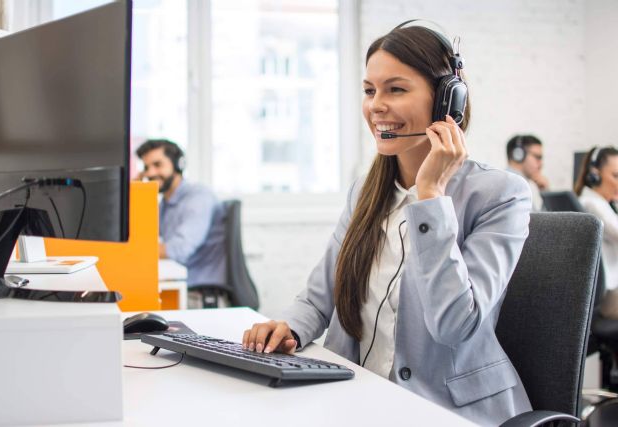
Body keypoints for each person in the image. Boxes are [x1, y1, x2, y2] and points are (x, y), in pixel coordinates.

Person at [242, 22, 532, 426]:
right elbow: (318, 298)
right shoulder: (366, 191)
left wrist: (431, 194)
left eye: (396, 89)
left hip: (449, 411)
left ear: (448, 102)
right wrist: (288, 327)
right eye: (369, 90)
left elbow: (456, 325)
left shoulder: (500, 195)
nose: (376, 105)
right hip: (359, 399)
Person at [135, 139, 229, 308]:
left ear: (178, 165)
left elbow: (178, 249)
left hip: (201, 296)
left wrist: (132, 251)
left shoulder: (198, 197)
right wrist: (135, 192)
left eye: (157, 164)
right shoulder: (165, 202)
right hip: (182, 286)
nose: (150, 173)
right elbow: (142, 235)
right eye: (146, 167)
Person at [575, 146, 618, 319]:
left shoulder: (599, 203)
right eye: (615, 176)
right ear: (595, 175)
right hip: (610, 296)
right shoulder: (592, 204)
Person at [506, 134, 549, 211]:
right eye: (537, 157)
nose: (541, 164)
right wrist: (548, 195)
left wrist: (545, 193)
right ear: (518, 155)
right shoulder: (514, 186)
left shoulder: (514, 183)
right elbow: (538, 222)